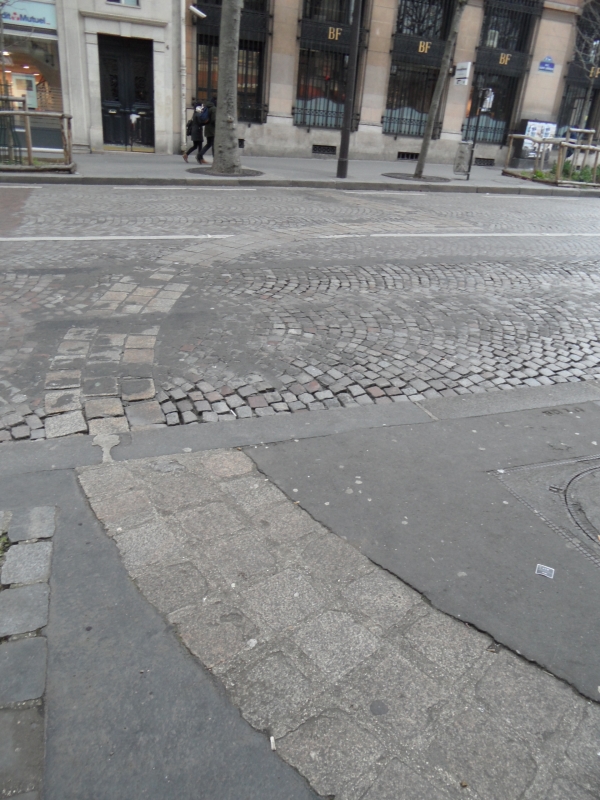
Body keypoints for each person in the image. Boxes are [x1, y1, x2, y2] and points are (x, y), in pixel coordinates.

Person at [198, 96, 217, 161]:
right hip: (212, 130)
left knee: (209, 144)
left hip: (207, 129)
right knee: (214, 145)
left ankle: (199, 155)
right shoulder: (213, 108)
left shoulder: (207, 107)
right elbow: (214, 120)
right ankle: (215, 159)